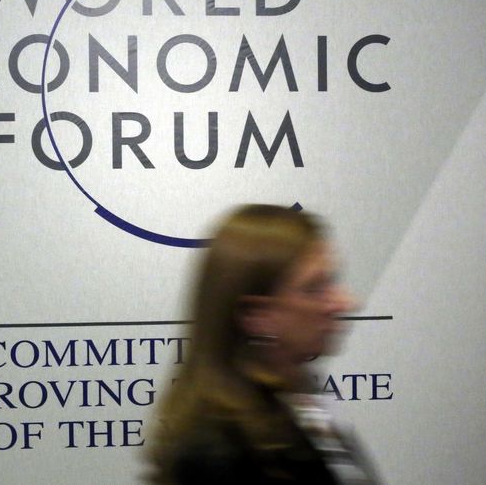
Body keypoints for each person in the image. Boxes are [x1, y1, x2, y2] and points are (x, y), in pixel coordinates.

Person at [147, 204, 379, 484]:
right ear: (255, 316)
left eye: (333, 281)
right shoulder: (217, 454)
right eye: (315, 289)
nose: (345, 302)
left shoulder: (299, 400)